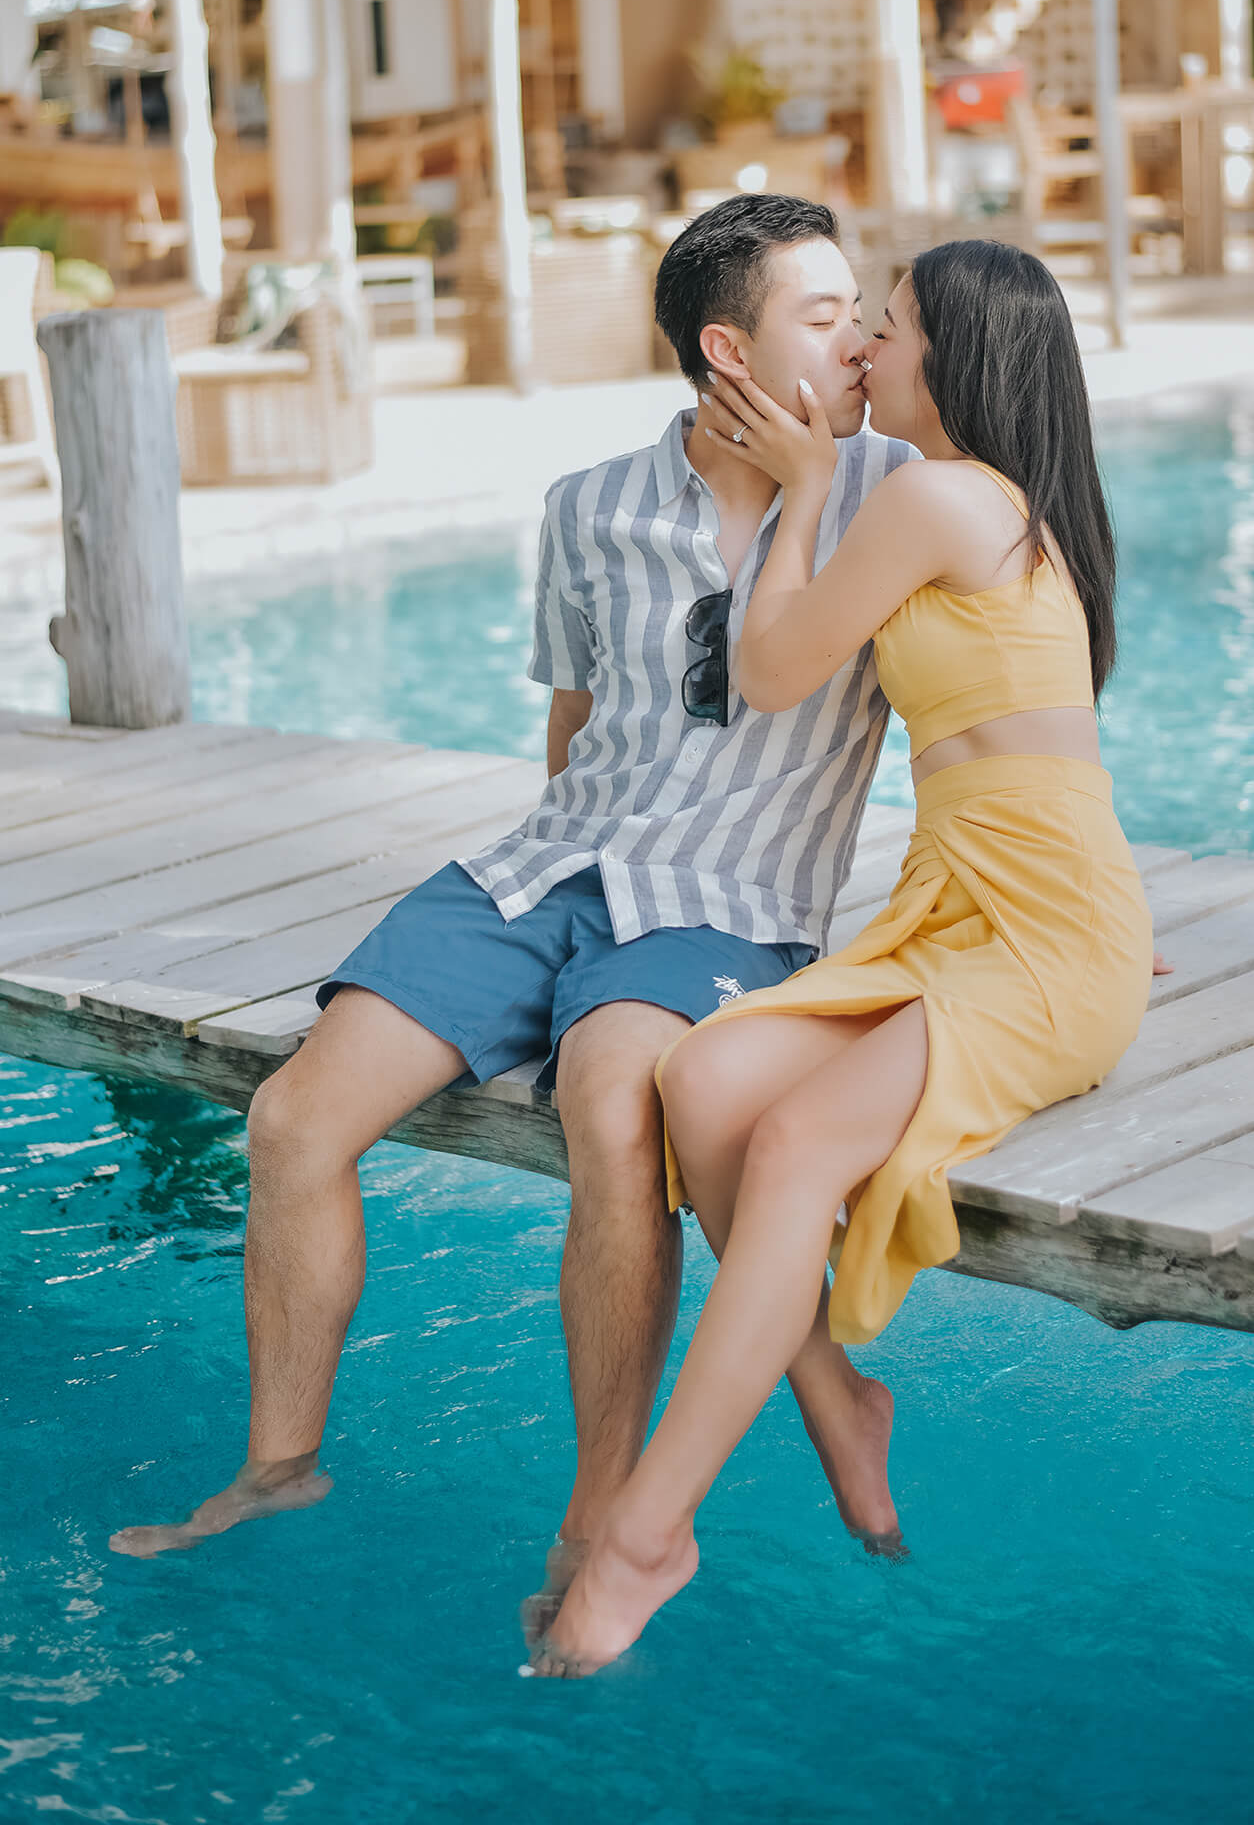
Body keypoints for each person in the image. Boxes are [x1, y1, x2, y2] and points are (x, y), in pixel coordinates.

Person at [107, 197, 919, 1607]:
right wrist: (546, 904)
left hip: (727, 900)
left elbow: (998, 712)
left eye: (857, 311)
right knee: (292, 1118)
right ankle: (279, 1460)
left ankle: (602, 1512)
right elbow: (575, 714)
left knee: (615, 1113)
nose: (859, 337)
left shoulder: (894, 494)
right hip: (547, 866)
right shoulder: (590, 505)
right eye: (824, 312)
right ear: (727, 349)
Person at [528, 239, 1157, 1677]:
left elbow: (769, 668)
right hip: (969, 910)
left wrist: (807, 489)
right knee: (707, 1078)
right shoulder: (984, 505)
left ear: (959, 362)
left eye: (886, 330)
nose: (861, 352)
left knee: (800, 1132)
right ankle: (833, 1395)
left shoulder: (934, 496)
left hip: (1039, 934)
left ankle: (641, 1538)